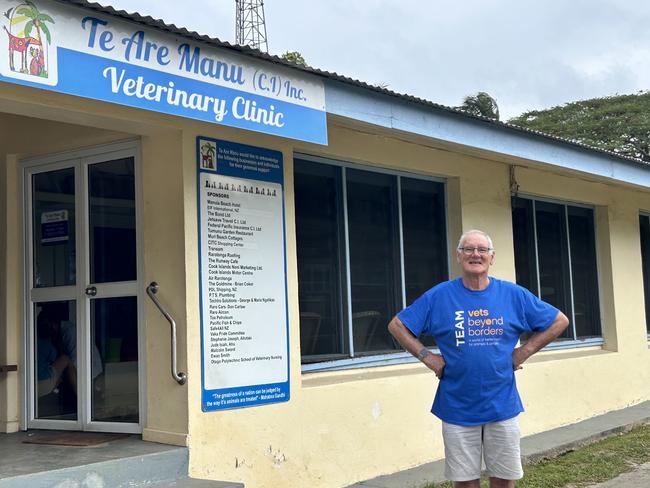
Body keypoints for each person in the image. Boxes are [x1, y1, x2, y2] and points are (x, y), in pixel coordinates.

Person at [388, 229, 569, 488]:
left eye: (482, 250)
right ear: (459, 256)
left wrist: (523, 352)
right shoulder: (439, 296)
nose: (475, 254)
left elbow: (558, 321)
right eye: (468, 249)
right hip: (457, 406)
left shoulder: (513, 295)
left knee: (504, 481)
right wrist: (428, 358)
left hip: (502, 405)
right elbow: (397, 325)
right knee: (465, 483)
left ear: (492, 257)